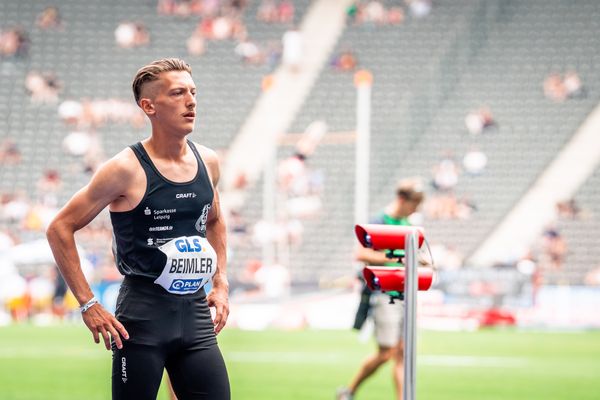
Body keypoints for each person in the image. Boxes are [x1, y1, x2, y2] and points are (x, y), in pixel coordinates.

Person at [46, 58, 230, 400]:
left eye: (193, 92)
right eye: (178, 93)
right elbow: (60, 228)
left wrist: (220, 282)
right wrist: (88, 303)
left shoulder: (208, 161)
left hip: (194, 314)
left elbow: (215, 220)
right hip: (142, 319)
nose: (191, 101)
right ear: (149, 106)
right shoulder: (124, 169)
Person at [337, 179, 424, 400]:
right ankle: (349, 390)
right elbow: (360, 254)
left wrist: (419, 261)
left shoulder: (406, 223)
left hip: (406, 291)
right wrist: (398, 256)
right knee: (386, 353)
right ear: (403, 199)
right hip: (384, 292)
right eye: (414, 204)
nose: (416, 210)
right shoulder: (378, 221)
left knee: (403, 354)